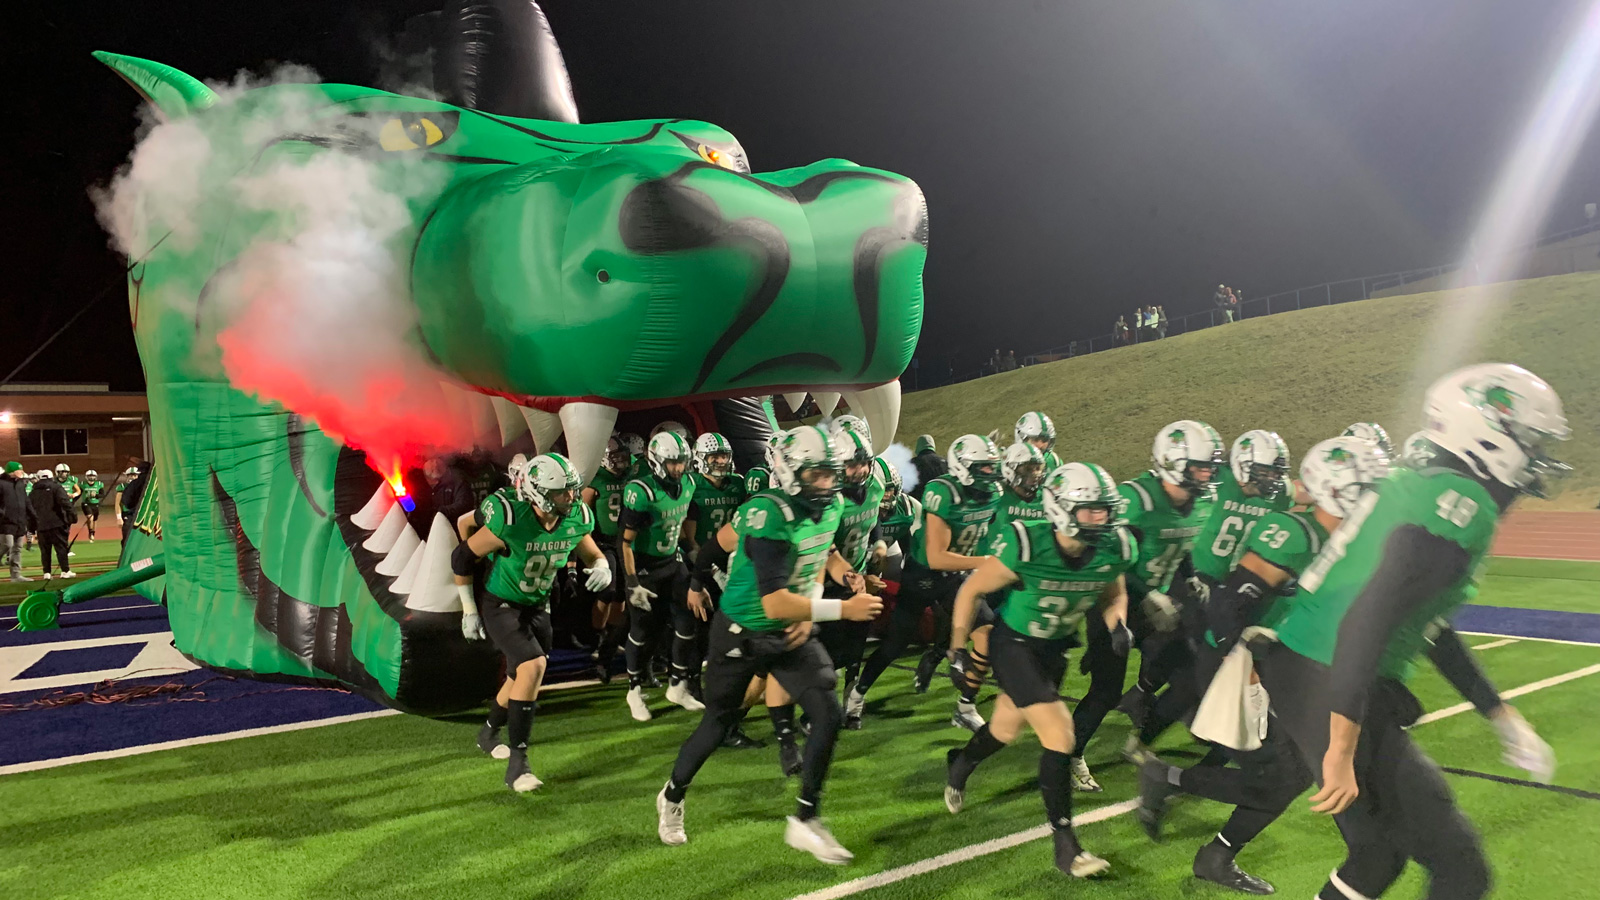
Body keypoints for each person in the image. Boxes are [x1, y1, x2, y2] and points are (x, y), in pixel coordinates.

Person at [1259, 363, 1566, 900]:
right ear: (1487, 434)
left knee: (1376, 855)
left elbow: (1425, 624)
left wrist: (1501, 714)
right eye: (1531, 440)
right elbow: (1368, 618)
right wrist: (1341, 747)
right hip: (1329, 677)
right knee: (1461, 868)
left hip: (1307, 668)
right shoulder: (1460, 505)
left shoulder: (1425, 486)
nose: (1537, 455)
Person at [1136, 436, 1390, 894]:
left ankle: (1212, 848)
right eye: (1365, 491)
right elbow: (1229, 604)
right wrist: (1243, 660)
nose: (1375, 502)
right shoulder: (1294, 533)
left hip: (1281, 660)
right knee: (1282, 776)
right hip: (1242, 657)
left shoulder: (1345, 540)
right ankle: (1170, 784)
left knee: (1292, 774)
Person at [657, 425, 882, 863]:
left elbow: (822, 554)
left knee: (827, 711)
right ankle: (672, 793)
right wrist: (841, 609)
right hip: (743, 629)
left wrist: (833, 584)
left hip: (789, 627)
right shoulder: (767, 513)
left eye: (831, 473)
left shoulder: (833, 503)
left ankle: (806, 819)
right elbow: (774, 601)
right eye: (818, 474)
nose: (828, 483)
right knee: (720, 721)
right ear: (791, 472)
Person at [944, 463, 1134, 879]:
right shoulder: (1027, 544)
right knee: (1060, 734)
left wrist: (1117, 624)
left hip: (1054, 648)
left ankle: (961, 762)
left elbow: (1113, 592)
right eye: (1092, 510)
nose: (1102, 519)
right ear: (1061, 509)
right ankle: (1067, 846)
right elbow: (971, 589)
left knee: (1004, 729)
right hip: (1013, 645)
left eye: (1106, 510)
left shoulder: (1113, 546)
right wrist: (957, 646)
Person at [1068, 421, 1222, 792]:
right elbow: (1105, 556)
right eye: (1201, 467)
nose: (1208, 475)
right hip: (1116, 602)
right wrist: (1145, 594)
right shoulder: (1137, 500)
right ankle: (1070, 755)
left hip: (1160, 605)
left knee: (1190, 678)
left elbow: (1180, 544)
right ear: (1173, 462)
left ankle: (1140, 741)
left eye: (1210, 467)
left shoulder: (1201, 503)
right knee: (1105, 692)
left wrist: (1189, 577)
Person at [452, 454, 612, 792]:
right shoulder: (511, 518)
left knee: (519, 676)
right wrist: (468, 609)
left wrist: (602, 566)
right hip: (502, 604)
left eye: (572, 489)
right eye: (562, 491)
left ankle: (488, 733)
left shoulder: (575, 517)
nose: (571, 497)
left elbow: (592, 553)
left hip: (538, 604)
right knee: (533, 665)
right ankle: (518, 765)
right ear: (538, 493)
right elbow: (461, 556)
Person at [1129, 429, 1294, 751]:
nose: (1274, 480)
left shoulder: (1281, 494)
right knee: (1196, 662)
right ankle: (1152, 706)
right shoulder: (1217, 481)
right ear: (1244, 466)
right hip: (1197, 580)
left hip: (1237, 587)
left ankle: (1152, 705)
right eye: (1266, 472)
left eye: (1277, 472)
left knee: (1212, 665)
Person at [848, 434, 1001, 728]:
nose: (990, 473)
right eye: (983, 467)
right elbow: (935, 557)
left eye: (991, 466)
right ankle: (857, 695)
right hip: (923, 574)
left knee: (986, 635)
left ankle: (965, 707)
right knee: (896, 643)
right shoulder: (943, 492)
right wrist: (983, 562)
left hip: (958, 573)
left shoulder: (994, 492)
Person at [620, 431, 701, 720]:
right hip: (645, 567)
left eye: (681, 462)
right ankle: (634, 690)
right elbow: (625, 543)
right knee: (643, 631)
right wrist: (632, 583)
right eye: (672, 463)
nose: (678, 468)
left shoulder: (689, 483)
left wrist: (692, 550)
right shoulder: (641, 491)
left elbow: (682, 523)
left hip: (672, 561)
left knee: (688, 621)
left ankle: (677, 685)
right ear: (656, 461)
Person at [582, 437, 633, 682]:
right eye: (615, 456)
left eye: (622, 455)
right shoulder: (597, 478)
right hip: (603, 543)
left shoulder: (630, 477)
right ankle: (598, 635)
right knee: (607, 590)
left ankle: (611, 636)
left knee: (621, 594)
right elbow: (582, 513)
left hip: (625, 541)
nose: (620, 460)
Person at [29, 470, 75, 580]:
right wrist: (72, 516)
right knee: (61, 548)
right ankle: (65, 571)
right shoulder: (56, 488)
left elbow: (30, 511)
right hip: (56, 523)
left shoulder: (33, 492)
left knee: (45, 551)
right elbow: (65, 502)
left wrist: (31, 528)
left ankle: (47, 573)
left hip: (41, 525)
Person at [2, 462, 36, 582]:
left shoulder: (20, 484)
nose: (22, 472)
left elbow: (26, 501)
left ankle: (16, 576)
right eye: (19, 470)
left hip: (20, 521)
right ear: (12, 471)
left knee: (17, 548)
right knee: (7, 545)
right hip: (6, 522)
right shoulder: (1, 483)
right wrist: (3, 514)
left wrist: (33, 515)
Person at [910, 434, 947, 499]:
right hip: (942, 500)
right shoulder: (945, 463)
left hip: (919, 502)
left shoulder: (912, 464)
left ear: (918, 447)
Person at [78, 470, 107, 542]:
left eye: (93, 476)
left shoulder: (99, 484)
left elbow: (102, 495)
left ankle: (92, 533)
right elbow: (78, 493)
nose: (91, 478)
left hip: (95, 504)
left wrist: (96, 495)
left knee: (94, 520)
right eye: (90, 476)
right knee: (90, 517)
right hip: (86, 503)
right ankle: (90, 532)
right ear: (86, 477)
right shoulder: (82, 484)